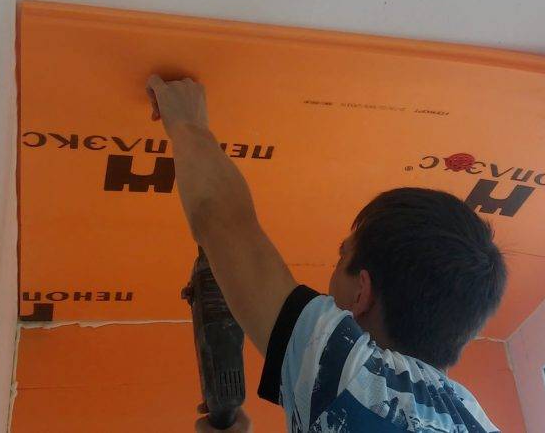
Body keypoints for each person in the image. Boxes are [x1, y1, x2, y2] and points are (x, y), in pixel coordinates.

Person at [147, 76, 507, 433]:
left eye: (342, 257)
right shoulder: (473, 418)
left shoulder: (356, 380)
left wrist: (186, 122)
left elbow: (221, 220)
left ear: (362, 292)